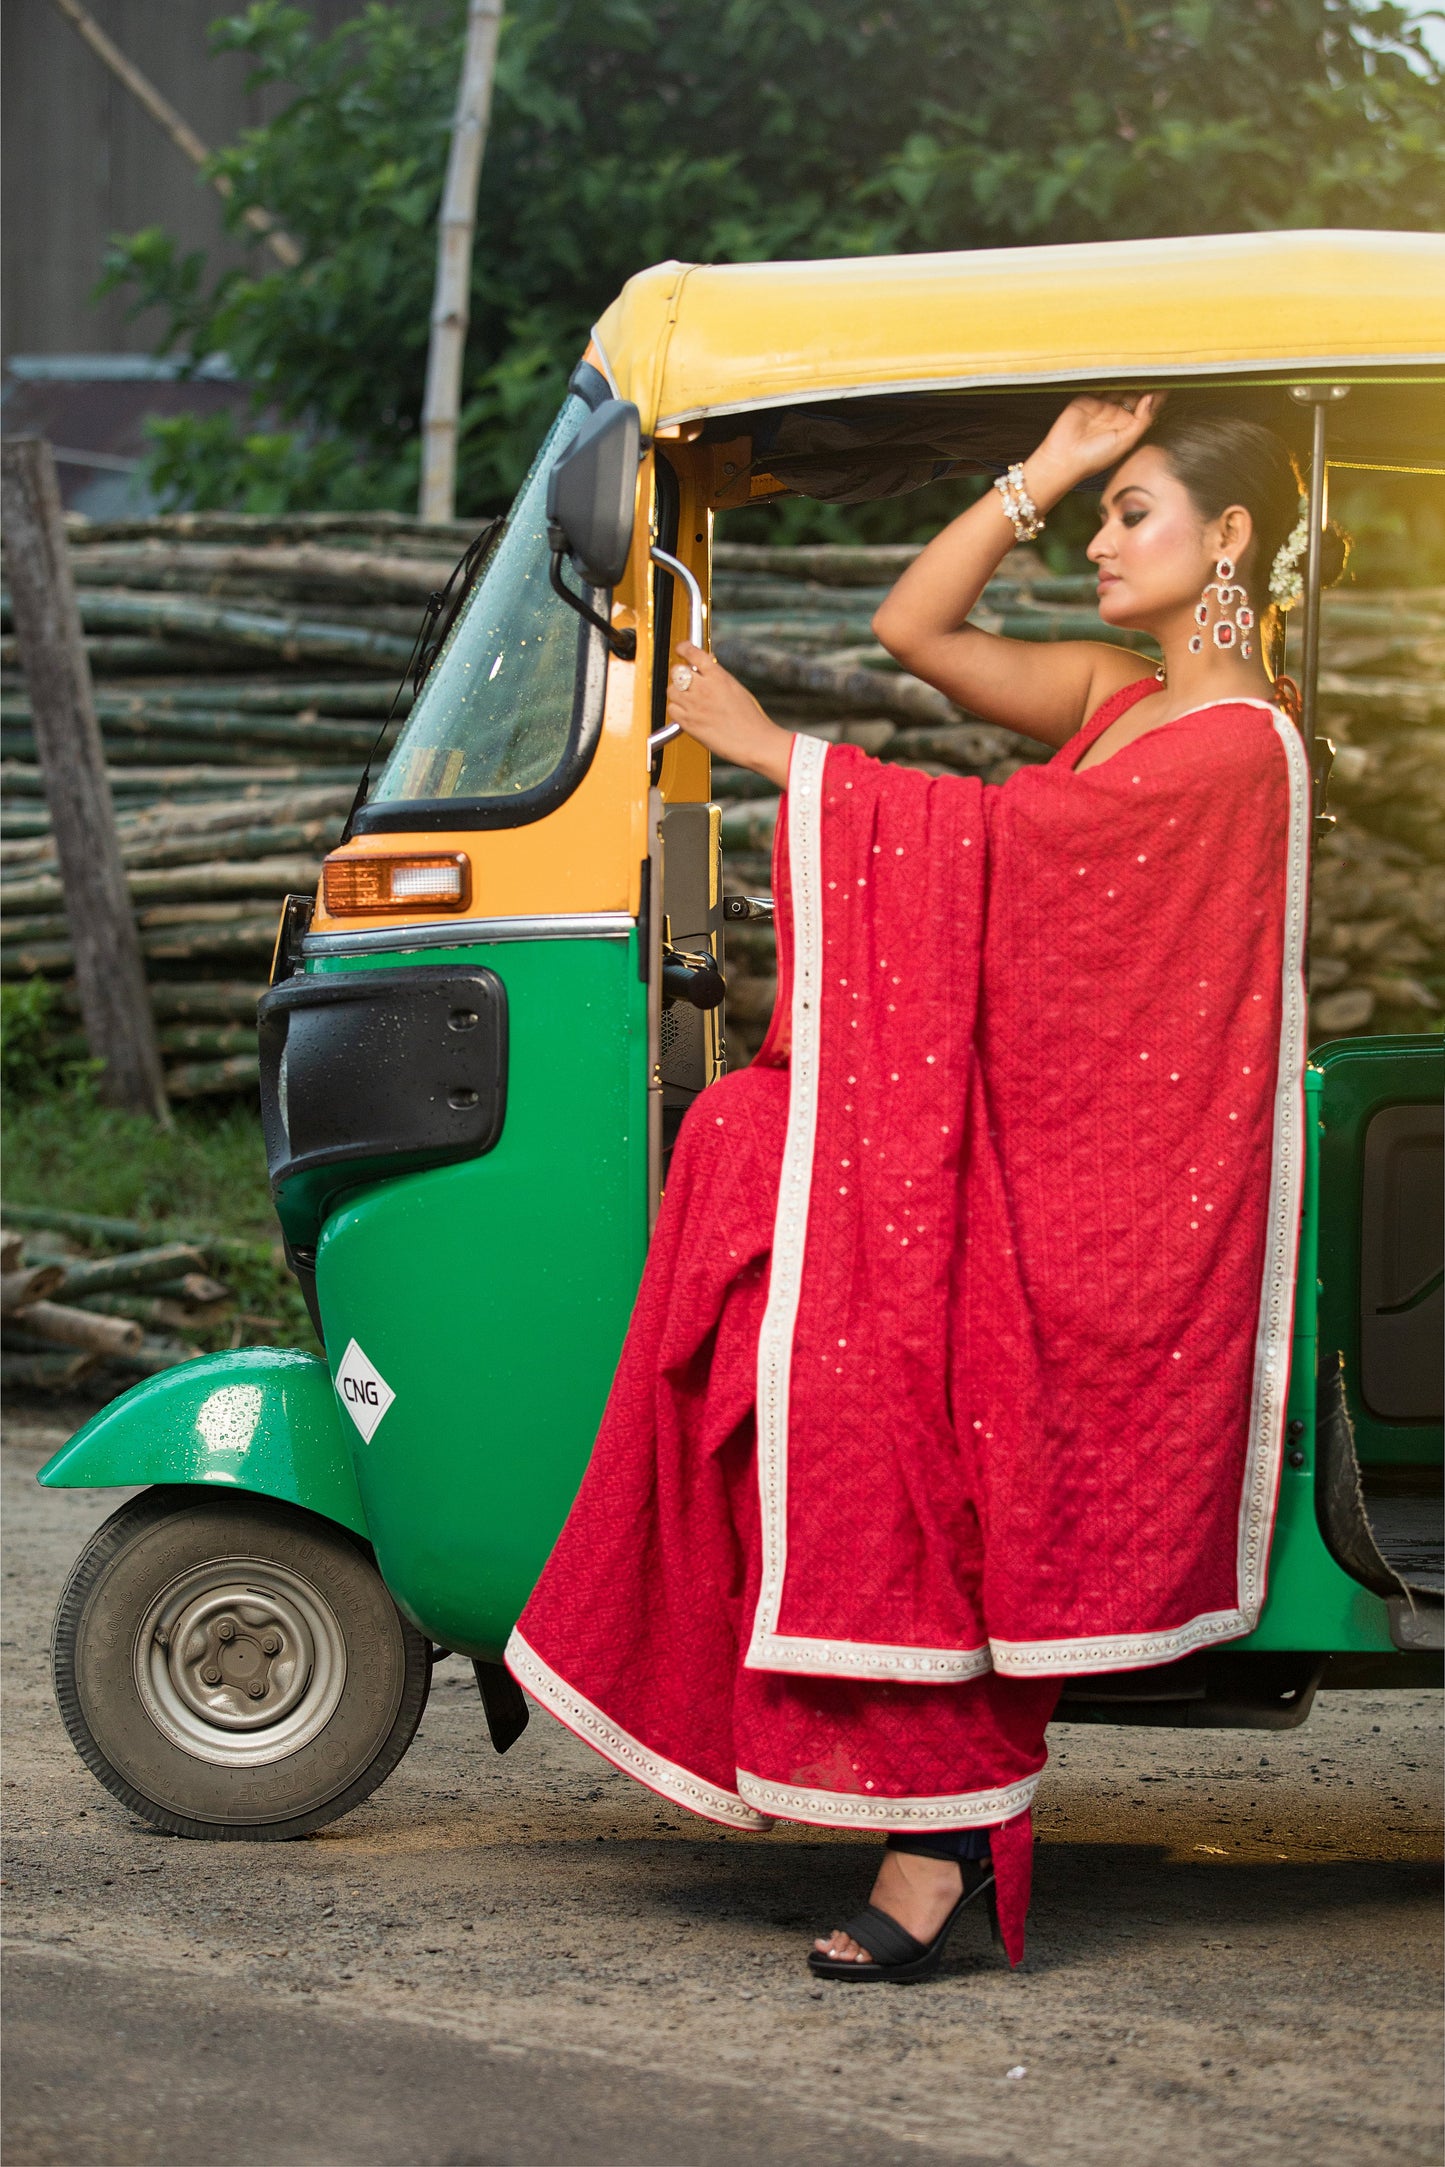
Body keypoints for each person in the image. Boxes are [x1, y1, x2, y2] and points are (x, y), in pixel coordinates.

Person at [507, 392, 1334, 1982]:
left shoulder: (1237, 750)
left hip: (1116, 1207)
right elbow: (912, 622)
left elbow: (1007, 872)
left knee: (876, 1356)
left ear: (1228, 540)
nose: (1099, 542)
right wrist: (1049, 469)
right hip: (1029, 1153)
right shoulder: (1117, 696)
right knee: (755, 1174)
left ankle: (939, 1828)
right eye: (1100, 514)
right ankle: (837, 1744)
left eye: (1135, 512)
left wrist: (767, 749)